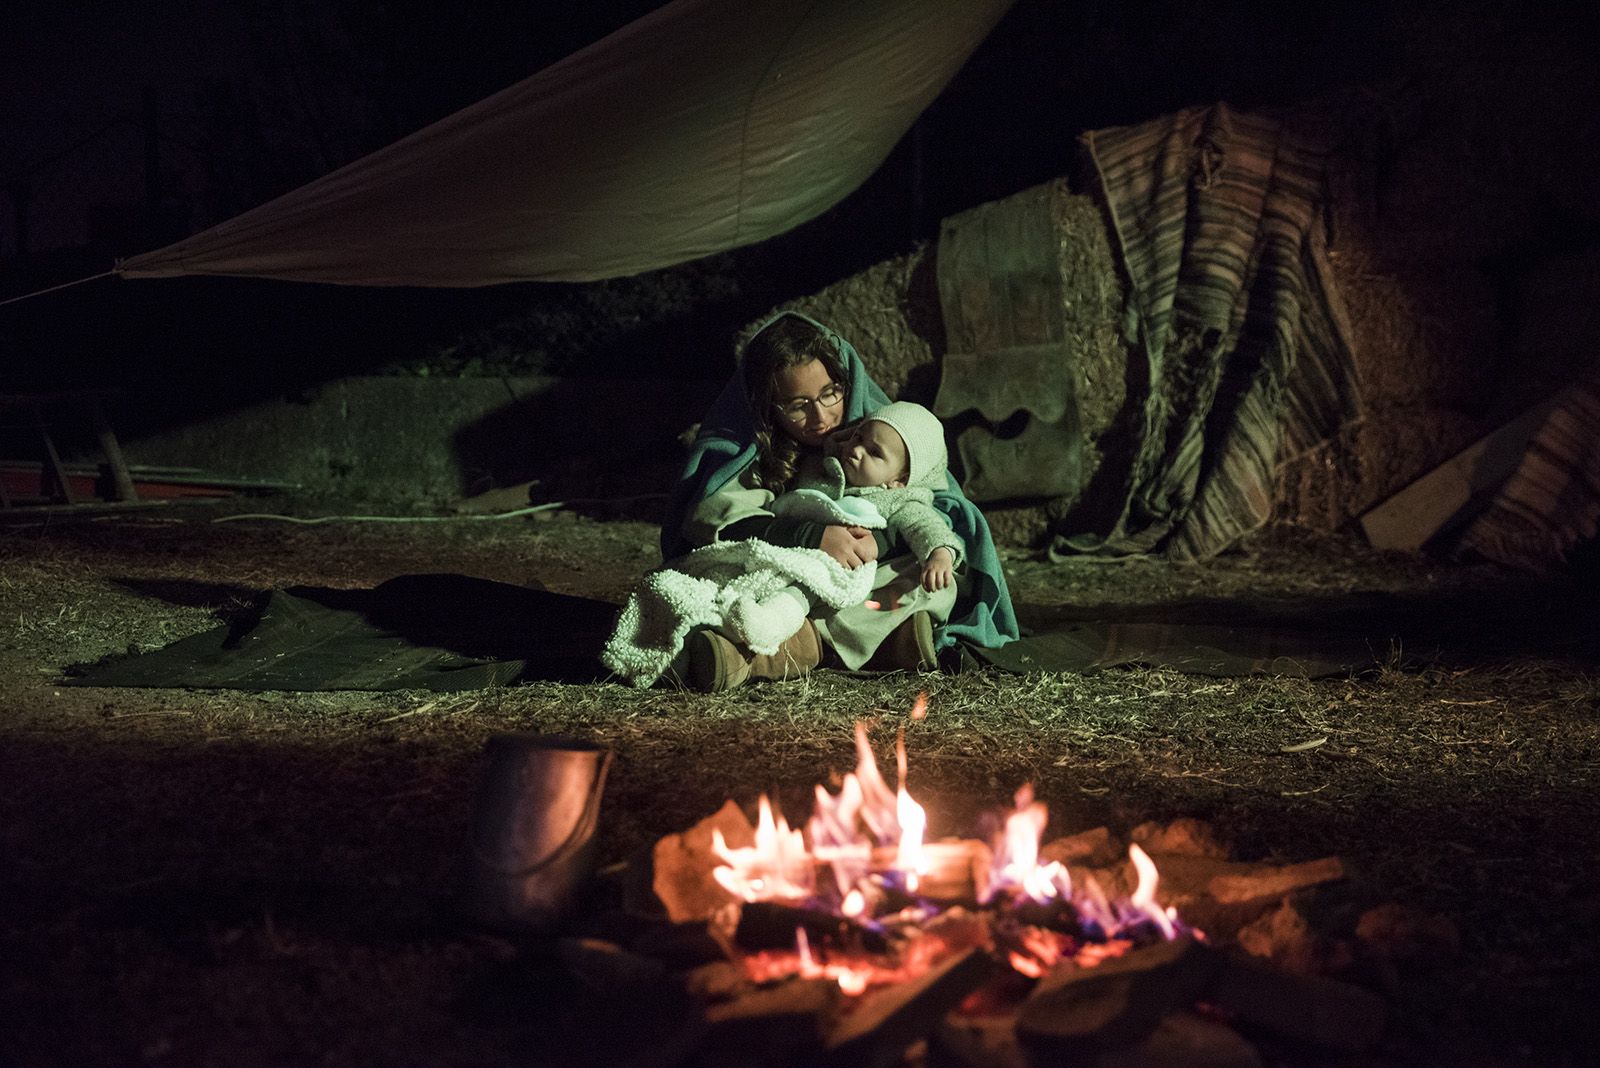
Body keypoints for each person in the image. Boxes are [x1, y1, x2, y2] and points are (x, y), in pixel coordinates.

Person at [660, 310, 1019, 690]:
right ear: (767, 404)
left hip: (859, 574)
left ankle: (807, 643)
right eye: (797, 405)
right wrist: (813, 536)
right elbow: (716, 521)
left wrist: (877, 540)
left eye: (831, 393)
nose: (821, 417)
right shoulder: (747, 447)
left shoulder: (878, 431)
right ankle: (820, 646)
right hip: (789, 567)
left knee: (932, 583)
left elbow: (934, 511)